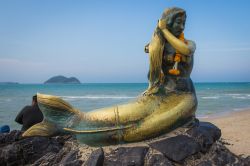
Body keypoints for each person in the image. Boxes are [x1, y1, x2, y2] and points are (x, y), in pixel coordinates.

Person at [145, 7, 196, 94]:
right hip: (163, 90)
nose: (182, 27)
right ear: (168, 22)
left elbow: (187, 50)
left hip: (185, 93)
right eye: (179, 22)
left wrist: (163, 30)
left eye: (184, 23)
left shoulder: (189, 43)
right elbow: (152, 67)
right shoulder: (160, 45)